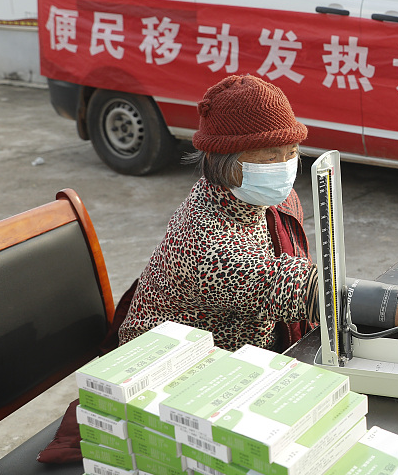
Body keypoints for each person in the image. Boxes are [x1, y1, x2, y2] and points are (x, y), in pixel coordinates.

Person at [118, 74, 318, 352]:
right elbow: (307, 293)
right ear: (222, 161)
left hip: (247, 354)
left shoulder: (265, 200)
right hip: (173, 367)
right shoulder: (207, 243)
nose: (284, 166)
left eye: (291, 153)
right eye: (269, 156)